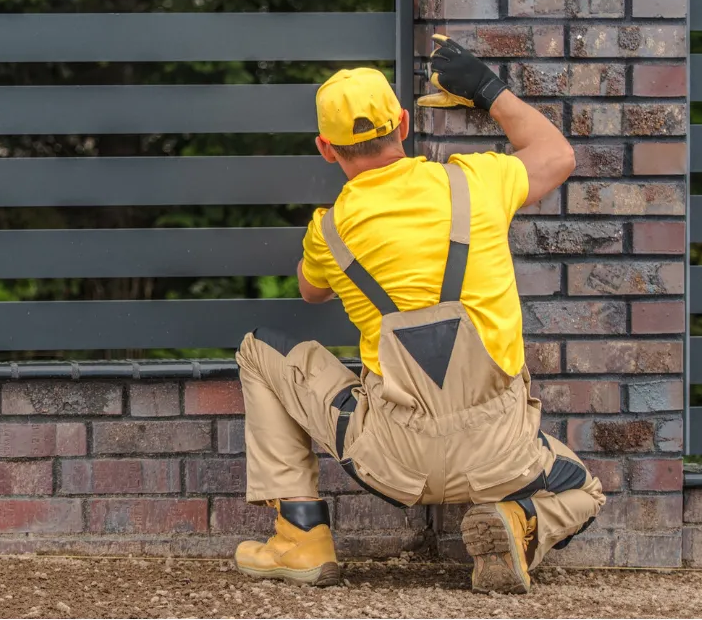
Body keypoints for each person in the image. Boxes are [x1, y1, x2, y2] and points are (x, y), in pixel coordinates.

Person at [232, 35, 606, 594]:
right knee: (583, 491)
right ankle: (521, 520)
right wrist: (486, 89)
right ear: (403, 125)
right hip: (501, 457)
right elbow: (557, 156)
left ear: (325, 149)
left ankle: (300, 536)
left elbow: (312, 293)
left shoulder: (329, 230)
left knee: (259, 350)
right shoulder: (475, 183)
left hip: (391, 460)